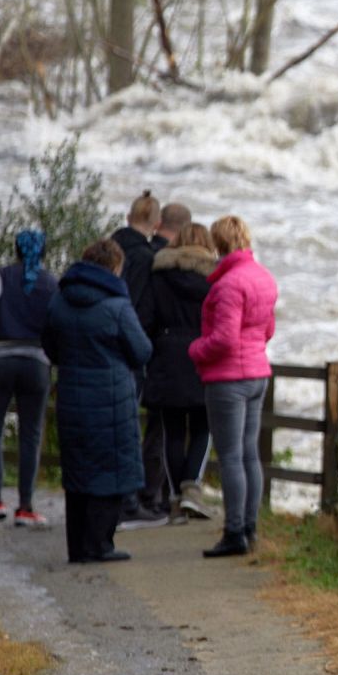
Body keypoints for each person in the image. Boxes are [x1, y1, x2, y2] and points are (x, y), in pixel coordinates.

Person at [42, 238, 152, 564]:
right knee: (111, 471)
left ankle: (77, 548)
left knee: (77, 471)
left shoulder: (59, 300)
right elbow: (141, 350)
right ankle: (101, 545)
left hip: (71, 396)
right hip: (111, 399)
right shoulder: (117, 306)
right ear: (115, 267)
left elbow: (49, 345)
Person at [189, 215, 277, 558]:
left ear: (218, 243)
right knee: (249, 453)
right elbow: (268, 330)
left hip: (228, 379)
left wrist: (196, 349)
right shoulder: (263, 277)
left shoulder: (228, 285)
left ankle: (234, 532)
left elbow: (224, 339)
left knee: (230, 457)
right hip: (257, 373)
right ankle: (250, 528)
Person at [0, 229, 59, 529]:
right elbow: (58, 321)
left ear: (16, 250)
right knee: (30, 434)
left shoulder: (2, 276)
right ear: (43, 252)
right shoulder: (51, 283)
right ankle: (26, 507)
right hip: (36, 362)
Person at [145, 222, 216, 524]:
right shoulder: (214, 279)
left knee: (172, 430)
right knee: (203, 426)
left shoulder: (159, 276)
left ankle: (175, 499)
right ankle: (191, 489)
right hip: (203, 355)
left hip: (167, 356)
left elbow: (147, 318)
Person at [112, 190, 173, 526]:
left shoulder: (110, 249)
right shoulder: (148, 257)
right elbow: (144, 309)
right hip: (132, 350)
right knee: (130, 428)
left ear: (128, 218)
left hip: (104, 345)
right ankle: (131, 501)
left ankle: (116, 498)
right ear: (156, 223)